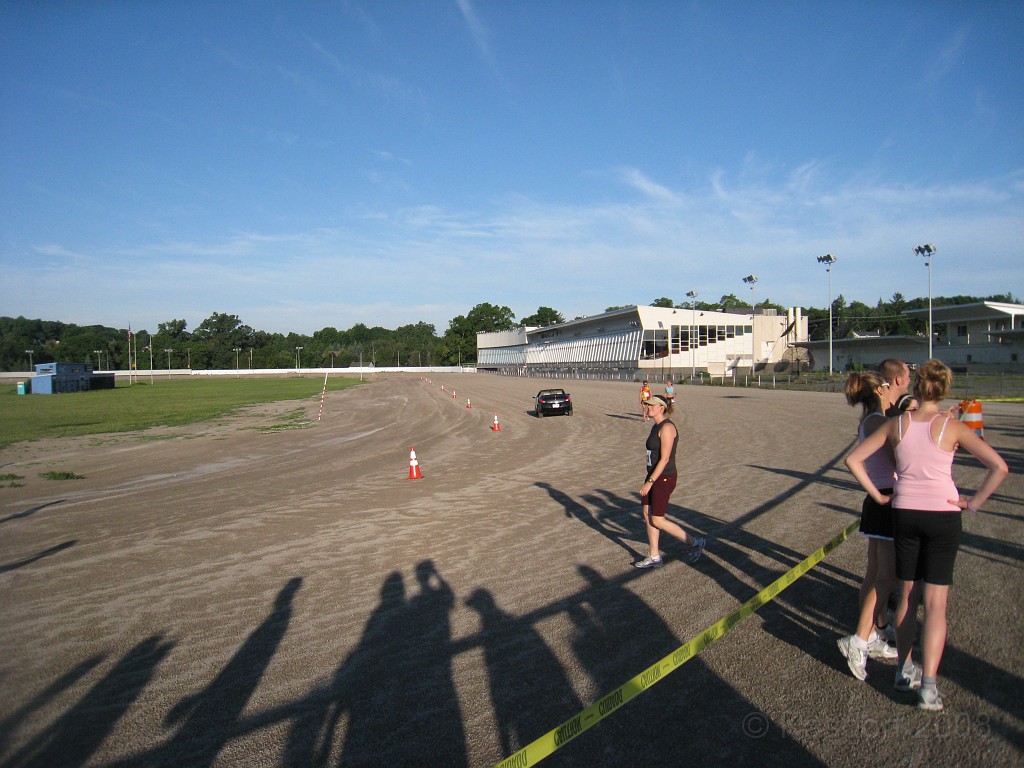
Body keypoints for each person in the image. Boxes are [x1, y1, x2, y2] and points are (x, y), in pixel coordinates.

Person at [846, 359, 1008, 712]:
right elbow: (1000, 467)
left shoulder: (897, 424)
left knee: (906, 593)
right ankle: (929, 687)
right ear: (945, 389)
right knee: (935, 605)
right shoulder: (952, 427)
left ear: (917, 387)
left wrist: (878, 496)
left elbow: (854, 460)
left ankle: (903, 671)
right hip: (943, 514)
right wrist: (973, 502)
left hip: (904, 512)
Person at [836, 371, 899, 682]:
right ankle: (859, 640)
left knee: (876, 573)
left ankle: (869, 635)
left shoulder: (875, 419)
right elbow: (899, 460)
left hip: (880, 501)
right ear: (880, 389)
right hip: (885, 500)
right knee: (885, 577)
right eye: (888, 386)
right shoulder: (877, 421)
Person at [633, 396, 705, 568]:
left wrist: (649, 482)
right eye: (648, 405)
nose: (648, 407)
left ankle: (696, 542)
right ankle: (654, 556)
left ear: (662, 408)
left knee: (657, 519)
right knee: (646, 514)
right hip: (653, 475)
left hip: (663, 477)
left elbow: (665, 459)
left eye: (652, 405)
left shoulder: (667, 428)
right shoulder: (656, 426)